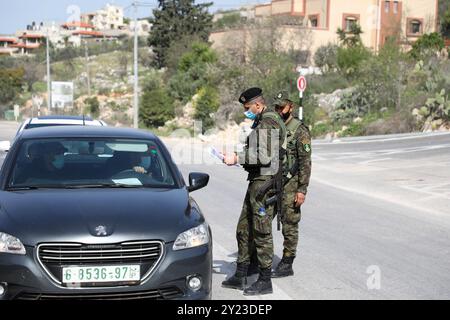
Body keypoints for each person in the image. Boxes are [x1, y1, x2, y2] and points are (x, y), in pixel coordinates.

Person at [221, 87, 287, 296]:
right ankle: (241, 273)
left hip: (265, 184)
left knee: (261, 231)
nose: (246, 111)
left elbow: (264, 156)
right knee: (244, 227)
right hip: (258, 181)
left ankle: (264, 279)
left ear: (258, 105)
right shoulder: (261, 121)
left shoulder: (268, 122)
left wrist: (236, 159)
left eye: (248, 107)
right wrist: (238, 153)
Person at [271, 91, 312, 278]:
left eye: (282, 107)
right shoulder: (274, 127)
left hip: (291, 184)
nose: (279, 110)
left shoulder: (300, 130)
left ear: (291, 107)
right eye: (276, 107)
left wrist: (302, 189)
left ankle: (287, 262)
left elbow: (305, 162)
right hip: (273, 182)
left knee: (289, 223)